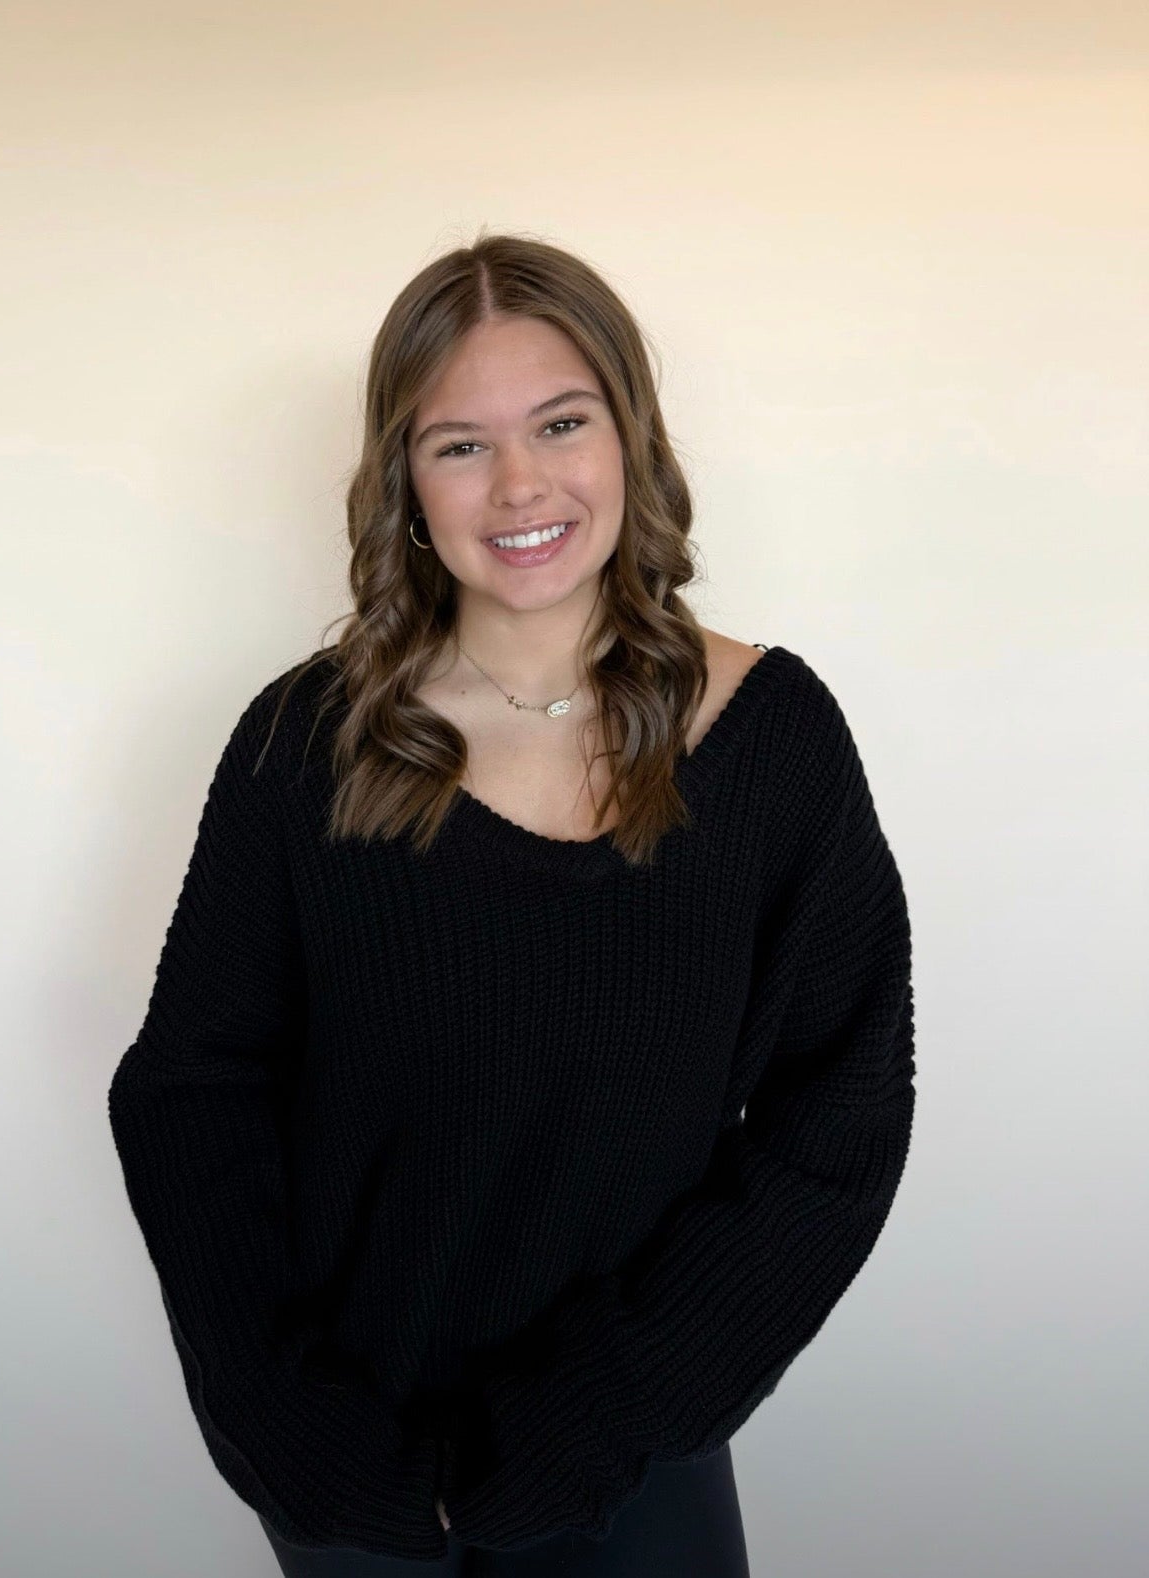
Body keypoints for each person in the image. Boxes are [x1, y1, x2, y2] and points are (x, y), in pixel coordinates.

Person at [107, 232, 917, 1576]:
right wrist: (281, 1425)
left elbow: (838, 1115)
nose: (520, 483)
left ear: (628, 437)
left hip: (633, 1452)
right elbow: (192, 1089)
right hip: (354, 1472)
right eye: (459, 443)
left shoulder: (769, 740)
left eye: (560, 422)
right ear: (401, 481)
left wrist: (603, 1414)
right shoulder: (302, 745)